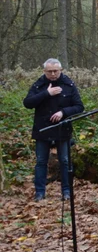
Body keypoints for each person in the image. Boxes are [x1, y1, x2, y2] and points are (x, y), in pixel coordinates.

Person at [23, 58, 83, 202]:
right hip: (42, 129)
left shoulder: (68, 84)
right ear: (44, 71)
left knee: (64, 161)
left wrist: (63, 112)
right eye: (50, 71)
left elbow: (79, 106)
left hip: (63, 129)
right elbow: (27, 103)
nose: (53, 74)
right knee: (41, 161)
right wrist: (46, 94)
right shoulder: (39, 84)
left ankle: (66, 192)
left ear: (60, 70)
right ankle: (40, 192)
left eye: (56, 71)